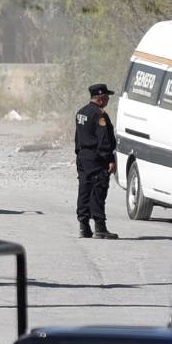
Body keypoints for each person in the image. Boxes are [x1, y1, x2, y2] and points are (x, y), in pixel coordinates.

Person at [73, 82, 118, 239]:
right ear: (100, 98)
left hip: (83, 158)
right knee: (98, 191)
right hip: (97, 159)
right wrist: (110, 159)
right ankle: (100, 228)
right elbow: (104, 140)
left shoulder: (81, 112)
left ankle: (83, 226)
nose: (107, 100)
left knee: (84, 190)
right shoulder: (100, 115)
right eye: (106, 97)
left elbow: (78, 137)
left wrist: (79, 154)